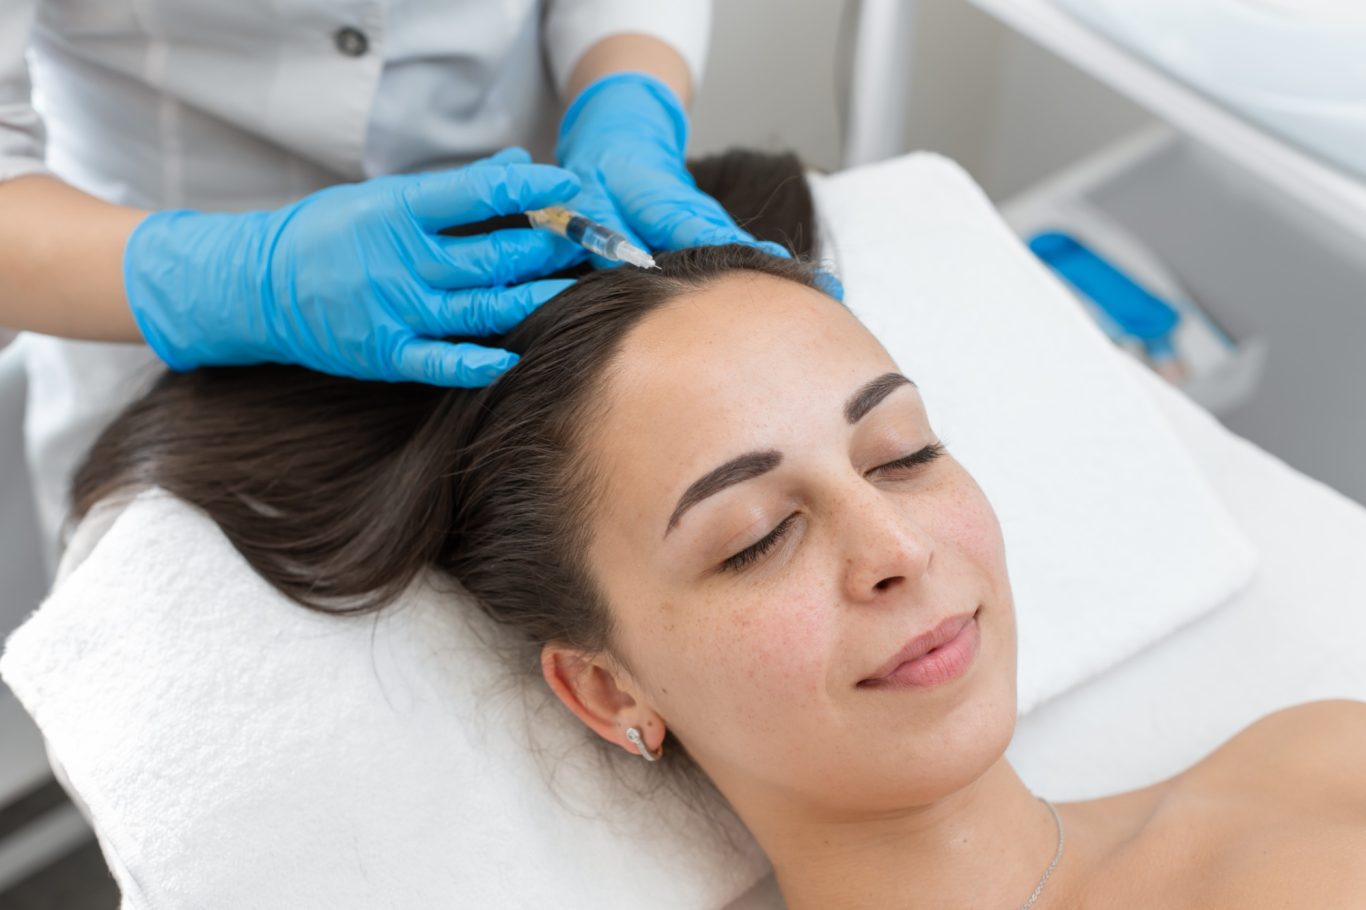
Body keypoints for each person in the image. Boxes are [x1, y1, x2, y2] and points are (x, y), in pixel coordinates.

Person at [71, 152, 1366, 908]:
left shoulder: (1319, 768)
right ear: (605, 687)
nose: (894, 547)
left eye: (902, 453)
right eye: (755, 535)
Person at [0, 0, 784, 564]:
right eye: (753, 542)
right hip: (142, 297)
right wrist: (244, 278)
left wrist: (626, 95)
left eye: (902, 457)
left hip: (535, 255)